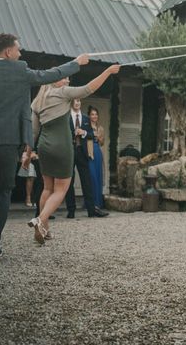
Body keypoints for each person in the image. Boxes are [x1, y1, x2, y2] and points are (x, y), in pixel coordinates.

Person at [0, 33, 87, 259]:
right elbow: (50, 75)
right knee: (3, 192)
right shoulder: (20, 70)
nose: (20, 53)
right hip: (7, 143)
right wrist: (77, 63)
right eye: (18, 49)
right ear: (9, 52)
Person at [28, 65, 120, 244]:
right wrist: (107, 72)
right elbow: (88, 88)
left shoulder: (38, 100)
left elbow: (33, 131)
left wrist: (28, 152)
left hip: (44, 147)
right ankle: (40, 219)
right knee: (60, 190)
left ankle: (44, 229)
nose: (68, 80)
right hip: (62, 146)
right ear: (56, 79)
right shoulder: (62, 92)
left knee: (47, 188)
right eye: (65, 77)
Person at [64, 99, 108, 218]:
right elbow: (62, 134)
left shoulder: (85, 118)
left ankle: (91, 210)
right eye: (75, 101)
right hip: (70, 152)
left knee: (87, 182)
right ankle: (71, 210)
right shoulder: (66, 117)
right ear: (71, 103)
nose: (77, 103)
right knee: (69, 182)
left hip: (83, 153)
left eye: (79, 101)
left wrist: (83, 132)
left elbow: (91, 134)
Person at [87, 106, 106, 209]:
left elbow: (102, 143)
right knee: (91, 177)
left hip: (98, 152)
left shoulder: (101, 128)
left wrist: (99, 137)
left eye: (96, 114)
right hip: (90, 153)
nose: (94, 116)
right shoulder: (86, 127)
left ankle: (98, 203)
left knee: (98, 177)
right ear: (89, 116)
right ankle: (90, 202)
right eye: (92, 114)